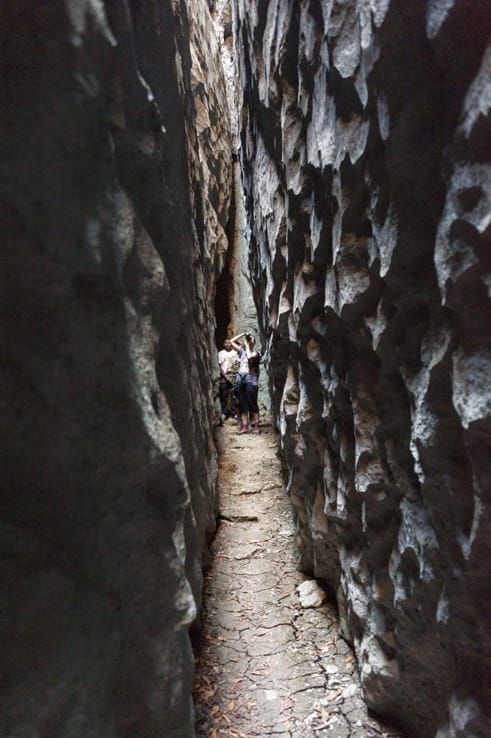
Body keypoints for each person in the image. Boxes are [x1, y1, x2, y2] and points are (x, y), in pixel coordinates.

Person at [230, 331, 261, 434]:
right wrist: (243, 334)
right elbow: (231, 341)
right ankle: (244, 426)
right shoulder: (242, 351)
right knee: (243, 405)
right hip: (241, 382)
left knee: (253, 404)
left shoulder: (256, 354)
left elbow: (249, 357)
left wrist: (247, 345)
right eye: (248, 340)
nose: (248, 341)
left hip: (251, 382)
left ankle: (256, 426)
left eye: (250, 339)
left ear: (254, 342)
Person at [218, 339, 239, 419]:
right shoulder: (220, 353)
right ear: (224, 344)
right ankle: (223, 413)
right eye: (226, 343)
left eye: (229, 342)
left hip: (233, 376)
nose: (228, 344)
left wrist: (232, 374)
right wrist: (225, 376)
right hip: (223, 378)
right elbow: (219, 366)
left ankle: (234, 413)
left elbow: (236, 365)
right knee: (224, 396)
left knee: (234, 395)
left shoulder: (235, 353)